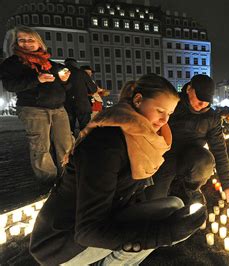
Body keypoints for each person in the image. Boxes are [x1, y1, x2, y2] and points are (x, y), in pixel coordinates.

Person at [29, 74, 207, 265]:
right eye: (160, 110)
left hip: (104, 219)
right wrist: (164, 233)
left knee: (172, 207)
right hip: (60, 242)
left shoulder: (142, 140)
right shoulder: (106, 144)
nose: (164, 120)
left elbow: (128, 195)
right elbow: (87, 231)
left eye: (169, 114)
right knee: (164, 221)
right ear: (138, 100)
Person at [145, 74, 229, 205]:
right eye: (199, 98)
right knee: (156, 202)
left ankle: (190, 189)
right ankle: (169, 188)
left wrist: (228, 184)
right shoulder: (172, 105)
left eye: (207, 101)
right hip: (165, 157)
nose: (202, 104)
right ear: (189, 89)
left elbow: (219, 149)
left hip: (193, 158)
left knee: (205, 161)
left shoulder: (211, 118)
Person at [0, 26, 73, 183]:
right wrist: (37, 80)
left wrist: (65, 81)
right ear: (16, 43)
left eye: (30, 40)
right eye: (22, 40)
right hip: (33, 109)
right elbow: (10, 85)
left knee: (66, 144)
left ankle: (68, 179)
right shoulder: (12, 63)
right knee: (40, 147)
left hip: (58, 108)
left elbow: (66, 87)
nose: (26, 43)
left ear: (39, 42)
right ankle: (49, 181)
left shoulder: (49, 63)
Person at [64, 58, 98, 134]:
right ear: (76, 64)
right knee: (85, 129)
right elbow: (93, 89)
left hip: (67, 105)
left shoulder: (61, 73)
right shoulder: (82, 73)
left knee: (69, 130)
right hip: (82, 104)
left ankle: (71, 144)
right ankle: (85, 144)